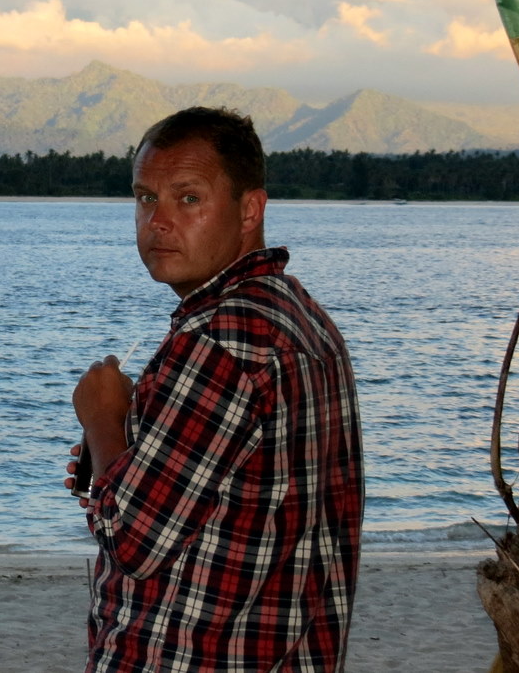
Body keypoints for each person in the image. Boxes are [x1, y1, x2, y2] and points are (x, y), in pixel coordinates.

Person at [69, 106, 363, 673]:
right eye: (145, 197)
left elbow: (132, 538)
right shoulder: (298, 315)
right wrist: (118, 447)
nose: (157, 221)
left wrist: (101, 417)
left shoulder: (223, 339)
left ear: (249, 209)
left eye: (188, 198)